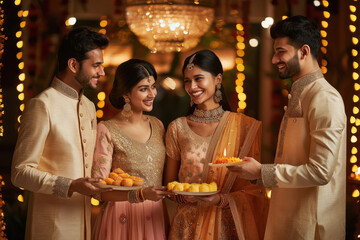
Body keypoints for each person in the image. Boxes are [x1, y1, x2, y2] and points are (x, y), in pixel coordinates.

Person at [227, 16, 346, 240]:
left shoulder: (325, 98)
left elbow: (321, 171)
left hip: (311, 227)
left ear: (303, 51)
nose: (274, 59)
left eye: (281, 52)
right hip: (288, 220)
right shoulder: (300, 93)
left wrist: (262, 172)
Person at [11, 27, 109, 240]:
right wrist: (70, 185)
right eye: (96, 65)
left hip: (84, 225)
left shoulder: (90, 107)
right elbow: (19, 172)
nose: (102, 72)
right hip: (51, 229)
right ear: (73, 65)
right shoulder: (42, 105)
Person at [164, 49, 269, 240]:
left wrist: (221, 200)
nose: (192, 86)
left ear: (218, 79)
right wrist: (178, 195)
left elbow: (255, 189)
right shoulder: (177, 128)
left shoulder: (243, 127)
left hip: (228, 225)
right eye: (187, 80)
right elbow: (169, 184)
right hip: (187, 226)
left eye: (199, 78)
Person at [91, 59, 169, 240]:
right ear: (126, 94)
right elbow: (99, 190)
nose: (152, 94)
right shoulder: (107, 130)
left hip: (155, 216)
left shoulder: (158, 125)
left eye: (153, 86)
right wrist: (140, 194)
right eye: (143, 89)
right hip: (121, 218)